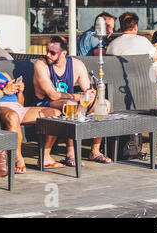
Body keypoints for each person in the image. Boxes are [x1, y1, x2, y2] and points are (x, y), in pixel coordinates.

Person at [0, 38, 61, 174]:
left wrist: (20, 90)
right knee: (13, 116)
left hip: (15, 109)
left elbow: (19, 103)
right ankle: (18, 160)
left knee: (54, 114)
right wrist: (4, 91)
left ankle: (45, 157)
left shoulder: (3, 75)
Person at [33, 36, 112, 167]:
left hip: (69, 100)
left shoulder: (76, 64)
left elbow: (87, 89)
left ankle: (95, 151)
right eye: (47, 51)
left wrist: (90, 94)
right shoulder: (41, 64)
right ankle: (70, 153)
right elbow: (52, 95)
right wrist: (80, 96)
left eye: (52, 53)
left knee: (104, 105)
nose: (48, 55)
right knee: (72, 105)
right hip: (46, 103)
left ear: (63, 53)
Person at [107, 13, 157, 133]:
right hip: (145, 90)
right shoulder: (142, 41)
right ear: (135, 27)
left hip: (118, 92)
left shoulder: (112, 45)